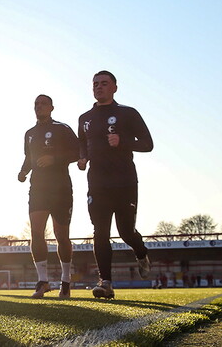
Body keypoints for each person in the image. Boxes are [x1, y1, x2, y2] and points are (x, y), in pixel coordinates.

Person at [78, 71, 153, 300]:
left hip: (124, 182)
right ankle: (106, 282)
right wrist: (82, 158)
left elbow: (148, 144)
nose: (98, 87)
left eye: (104, 83)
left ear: (114, 88)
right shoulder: (85, 118)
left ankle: (140, 253)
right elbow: (82, 145)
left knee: (126, 231)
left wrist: (123, 142)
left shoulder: (127, 113)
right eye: (95, 84)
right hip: (98, 183)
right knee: (100, 232)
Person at [18, 94, 80, 299]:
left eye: (43, 103)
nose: (39, 107)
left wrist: (54, 158)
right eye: (36, 103)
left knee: (61, 235)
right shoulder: (29, 133)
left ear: (52, 107)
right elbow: (29, 157)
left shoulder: (62, 128)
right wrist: (23, 171)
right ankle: (42, 281)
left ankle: (65, 282)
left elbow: (77, 151)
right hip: (38, 188)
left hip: (61, 188)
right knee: (36, 232)